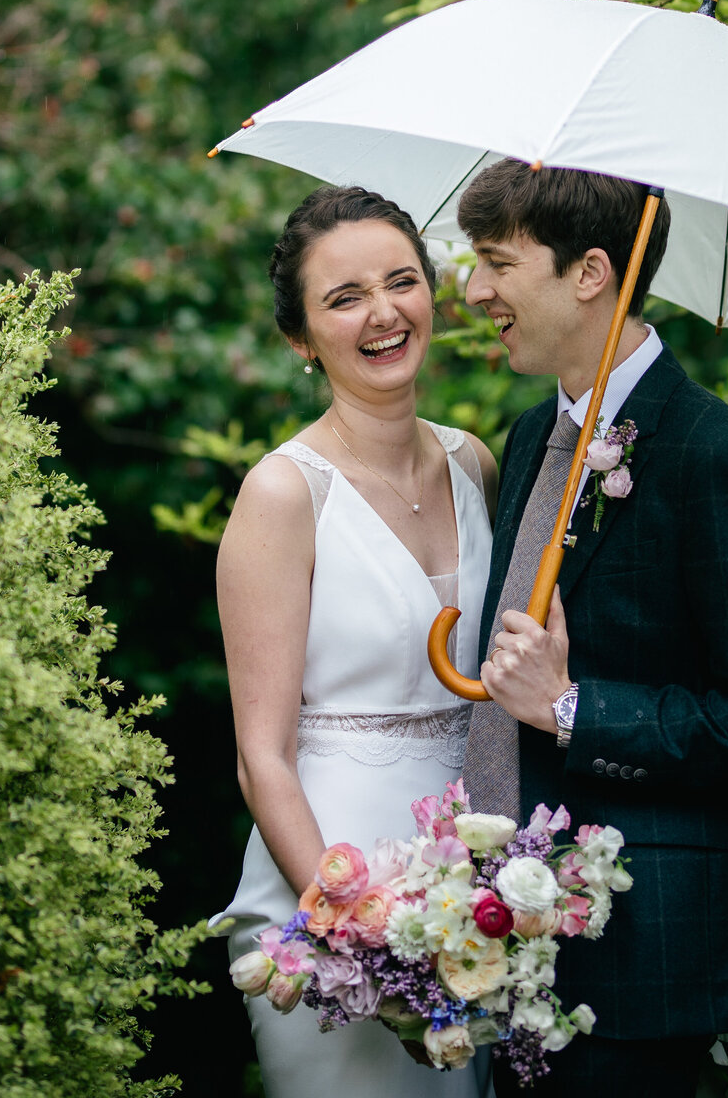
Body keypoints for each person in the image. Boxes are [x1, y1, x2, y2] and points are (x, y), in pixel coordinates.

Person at [456, 161, 728, 1097]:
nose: (474, 290)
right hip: (513, 942)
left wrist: (574, 709)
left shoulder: (719, 459)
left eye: (498, 262)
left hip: (648, 957)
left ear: (590, 273)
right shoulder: (525, 438)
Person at [212, 186, 496, 1097]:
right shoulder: (283, 496)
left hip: (479, 884)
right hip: (326, 874)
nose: (383, 313)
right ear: (301, 338)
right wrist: (357, 934)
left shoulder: (476, 464)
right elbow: (262, 757)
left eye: (401, 281)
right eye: (344, 297)